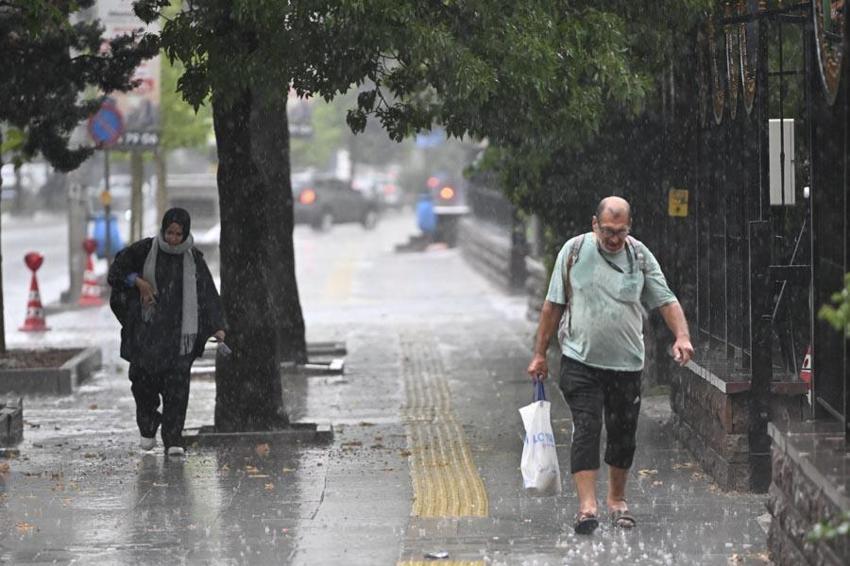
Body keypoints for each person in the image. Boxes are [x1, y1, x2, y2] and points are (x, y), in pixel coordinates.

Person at [526, 196, 693, 535]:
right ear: (594, 224)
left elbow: (666, 299)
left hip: (626, 364)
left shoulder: (639, 256)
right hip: (580, 360)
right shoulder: (574, 251)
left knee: (623, 434)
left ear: (629, 227)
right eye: (607, 231)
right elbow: (552, 306)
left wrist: (682, 336)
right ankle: (587, 507)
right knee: (587, 428)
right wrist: (540, 353)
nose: (613, 238)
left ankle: (617, 500)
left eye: (620, 231)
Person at [108, 207, 226, 457]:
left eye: (178, 234)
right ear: (163, 230)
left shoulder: (194, 259)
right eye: (169, 232)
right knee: (143, 385)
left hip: (178, 337)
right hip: (147, 335)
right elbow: (116, 272)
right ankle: (148, 424)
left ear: (185, 233)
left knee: (177, 389)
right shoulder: (144, 250)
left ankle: (173, 438)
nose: (173, 239)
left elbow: (207, 293)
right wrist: (139, 283)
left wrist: (218, 326)